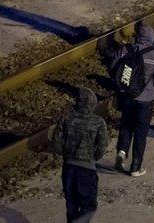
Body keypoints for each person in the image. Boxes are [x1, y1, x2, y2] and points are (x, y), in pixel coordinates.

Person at [109, 22, 154, 177]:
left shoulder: (125, 49)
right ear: (151, 37)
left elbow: (112, 68)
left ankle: (122, 151)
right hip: (146, 99)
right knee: (141, 132)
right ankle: (136, 166)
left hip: (128, 96)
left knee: (126, 125)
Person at [53, 87, 108, 223]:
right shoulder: (98, 122)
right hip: (87, 169)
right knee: (89, 207)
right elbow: (102, 146)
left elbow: (57, 143)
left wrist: (67, 154)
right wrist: (93, 157)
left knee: (71, 206)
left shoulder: (66, 119)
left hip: (68, 168)